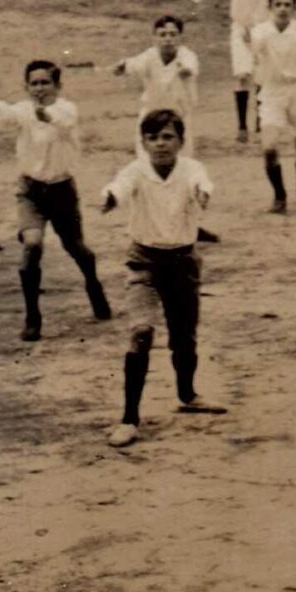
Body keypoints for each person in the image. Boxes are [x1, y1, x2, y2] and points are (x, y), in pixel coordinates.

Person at [97, 110, 227, 447]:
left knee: (184, 338)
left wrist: (203, 194)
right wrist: (110, 197)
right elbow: (120, 186)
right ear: (143, 142)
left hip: (183, 261)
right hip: (145, 261)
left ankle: (188, 393)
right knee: (141, 333)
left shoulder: (191, 169)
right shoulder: (136, 171)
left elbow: (203, 183)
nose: (160, 144)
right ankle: (129, 418)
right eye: (153, 138)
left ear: (181, 141)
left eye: (168, 137)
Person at [0, 61, 111, 340]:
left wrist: (45, 115)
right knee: (32, 245)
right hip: (31, 191)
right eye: (34, 83)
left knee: (77, 248)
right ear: (26, 87)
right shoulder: (24, 110)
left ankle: (93, 285)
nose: (39, 88)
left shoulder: (67, 109)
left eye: (45, 83)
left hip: (62, 191)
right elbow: (8, 112)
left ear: (57, 87)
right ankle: (32, 316)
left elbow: (64, 123)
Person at [248, 0, 296, 213]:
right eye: (278, 4)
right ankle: (279, 195)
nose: (283, 9)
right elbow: (256, 53)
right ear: (270, 7)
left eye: (288, 4)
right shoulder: (260, 32)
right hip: (272, 91)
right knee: (269, 146)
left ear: (295, 7)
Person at [115, 16, 201, 156]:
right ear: (155, 38)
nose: (168, 39)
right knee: (146, 159)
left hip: (178, 115)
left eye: (173, 34)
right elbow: (131, 64)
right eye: (162, 34)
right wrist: (122, 66)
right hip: (152, 114)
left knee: (182, 161)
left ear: (180, 37)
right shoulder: (149, 56)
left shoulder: (187, 56)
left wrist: (185, 71)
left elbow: (190, 68)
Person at [222, 0, 280, 143]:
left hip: (262, 29)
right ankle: (242, 126)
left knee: (262, 76)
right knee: (242, 75)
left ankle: (260, 120)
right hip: (240, 29)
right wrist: (245, 27)